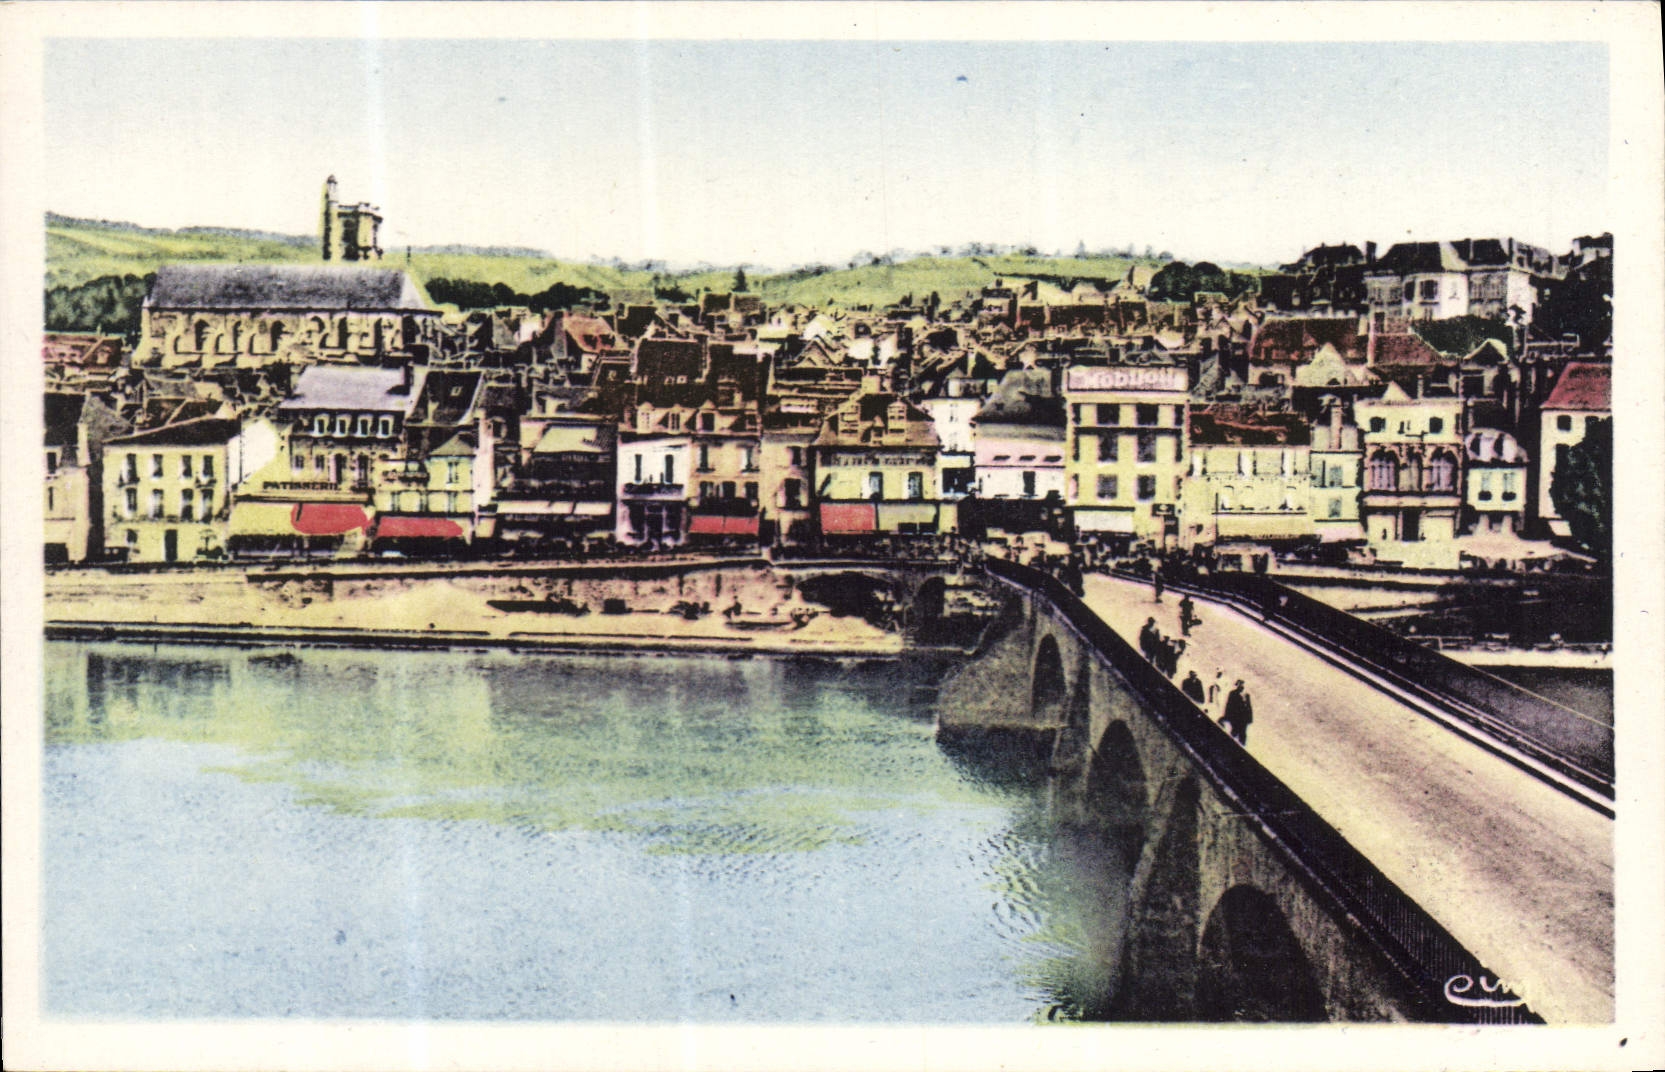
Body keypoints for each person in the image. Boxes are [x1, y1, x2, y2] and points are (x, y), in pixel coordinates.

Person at [1220, 680, 1254, 745]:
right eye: (1240, 685)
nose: (1242, 687)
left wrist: (1249, 718)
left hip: (1244, 719)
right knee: (1234, 732)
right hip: (1236, 718)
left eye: (1242, 685)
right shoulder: (1233, 693)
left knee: (1242, 735)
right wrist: (1228, 715)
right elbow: (1229, 705)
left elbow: (1249, 707)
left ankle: (1241, 746)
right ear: (1237, 686)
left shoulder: (1246, 695)